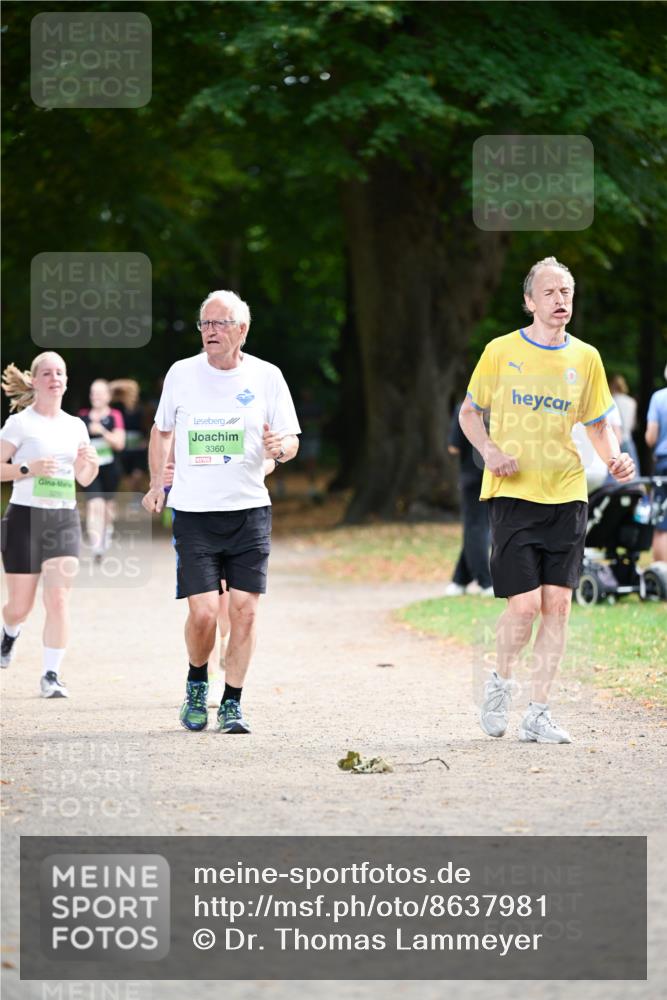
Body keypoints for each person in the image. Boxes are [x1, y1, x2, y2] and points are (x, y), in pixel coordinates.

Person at [459, 256, 635, 744]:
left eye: (567, 293)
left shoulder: (586, 359)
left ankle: (539, 711)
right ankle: (501, 680)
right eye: (551, 293)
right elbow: (470, 413)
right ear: (529, 301)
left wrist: (616, 457)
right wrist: (490, 451)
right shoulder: (500, 351)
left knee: (558, 605)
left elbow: (600, 424)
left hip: (568, 494)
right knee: (524, 606)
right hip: (514, 494)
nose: (561, 300)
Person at [141, 289, 300, 734]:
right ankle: (196, 681)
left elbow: (289, 441)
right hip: (194, 512)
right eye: (204, 324)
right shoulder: (181, 374)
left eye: (220, 323)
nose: (210, 331)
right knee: (206, 612)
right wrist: (157, 484)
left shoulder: (267, 377)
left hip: (249, 511)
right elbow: (161, 430)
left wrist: (280, 450)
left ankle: (231, 702)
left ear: (242, 330)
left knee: (245, 611)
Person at [0, 353, 98, 695]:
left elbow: (84, 478)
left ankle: (51, 676)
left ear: (66, 381)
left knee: (57, 599)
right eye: (47, 373)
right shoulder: (19, 424)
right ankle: (9, 632)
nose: (54, 377)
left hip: (63, 518)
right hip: (24, 518)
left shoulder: (76, 425)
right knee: (19, 607)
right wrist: (27, 469)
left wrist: (91, 464)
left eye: (60, 372)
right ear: (35, 381)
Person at [444, 403, 493, 596]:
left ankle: (485, 582)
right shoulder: (505, 405)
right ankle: (460, 579)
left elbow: (453, 447)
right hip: (498, 475)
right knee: (481, 527)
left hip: (472, 476)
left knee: (476, 528)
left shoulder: (464, 408)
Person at [78, 379, 126, 561]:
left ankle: (107, 533)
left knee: (107, 508)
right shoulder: (82, 416)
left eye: (99, 393)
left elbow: (120, 444)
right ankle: (97, 547)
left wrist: (102, 432)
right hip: (90, 469)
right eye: (93, 393)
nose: (95, 396)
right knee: (94, 505)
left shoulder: (115, 416)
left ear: (108, 396)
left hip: (111, 469)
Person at [110, 378, 148, 496]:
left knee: (137, 474)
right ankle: (133, 497)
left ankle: (136, 497)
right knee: (126, 476)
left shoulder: (142, 409)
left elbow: (147, 426)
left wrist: (146, 440)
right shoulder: (118, 409)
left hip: (138, 448)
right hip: (125, 447)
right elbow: (108, 390)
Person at [645, 363, 667, 561]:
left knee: (662, 522)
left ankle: (662, 576)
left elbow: (651, 437)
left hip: (664, 461)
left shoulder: (659, 398)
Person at [609, 373, 639, 473]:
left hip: (614, 441)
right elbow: (633, 425)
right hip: (628, 439)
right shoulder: (631, 401)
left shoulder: (611, 400)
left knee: (615, 474)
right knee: (633, 472)